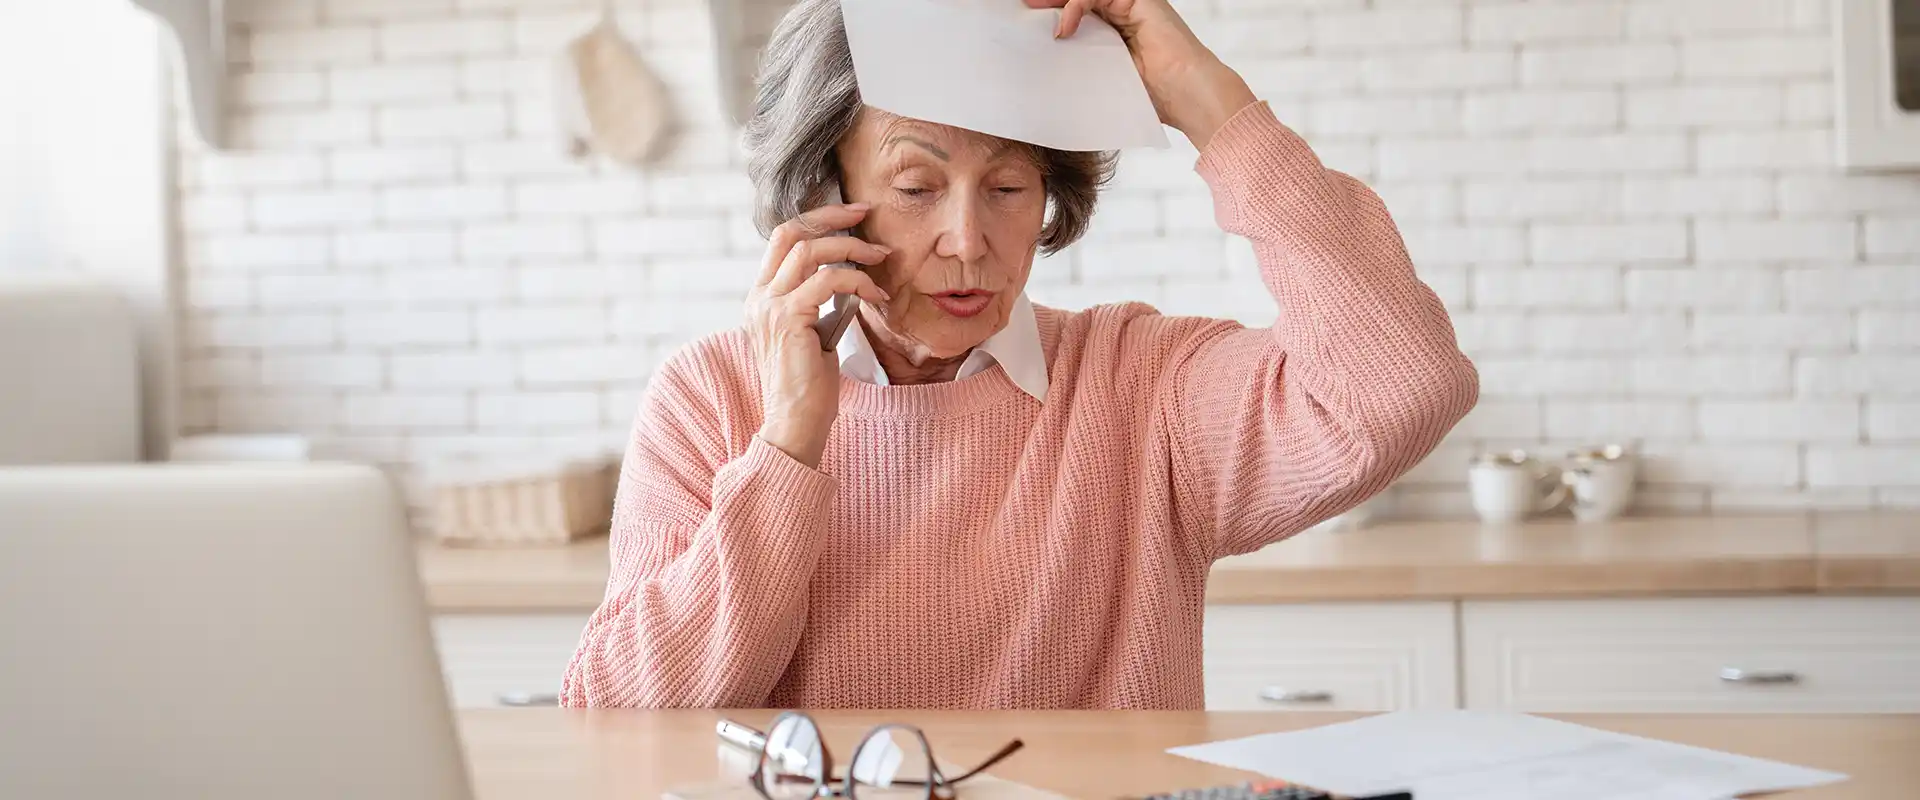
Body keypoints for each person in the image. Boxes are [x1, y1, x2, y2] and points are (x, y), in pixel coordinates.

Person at [560, 0, 1479, 709]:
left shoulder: (1139, 387)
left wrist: (1206, 99)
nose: (969, 240)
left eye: (1006, 185)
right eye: (916, 185)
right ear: (824, 194)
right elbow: (615, 713)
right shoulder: (711, 398)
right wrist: (789, 445)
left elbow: (1401, 386)